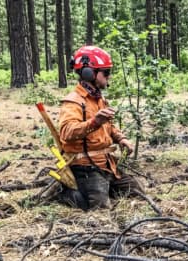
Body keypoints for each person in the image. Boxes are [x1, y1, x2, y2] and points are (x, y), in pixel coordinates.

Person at [56, 46, 143, 211]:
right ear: (89, 73)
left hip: (107, 164)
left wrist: (121, 138)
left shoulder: (98, 98)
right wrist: (95, 121)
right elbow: (67, 132)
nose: (109, 76)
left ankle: (102, 188)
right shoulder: (73, 101)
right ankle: (66, 194)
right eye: (106, 72)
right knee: (100, 209)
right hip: (85, 166)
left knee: (137, 193)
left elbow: (108, 127)